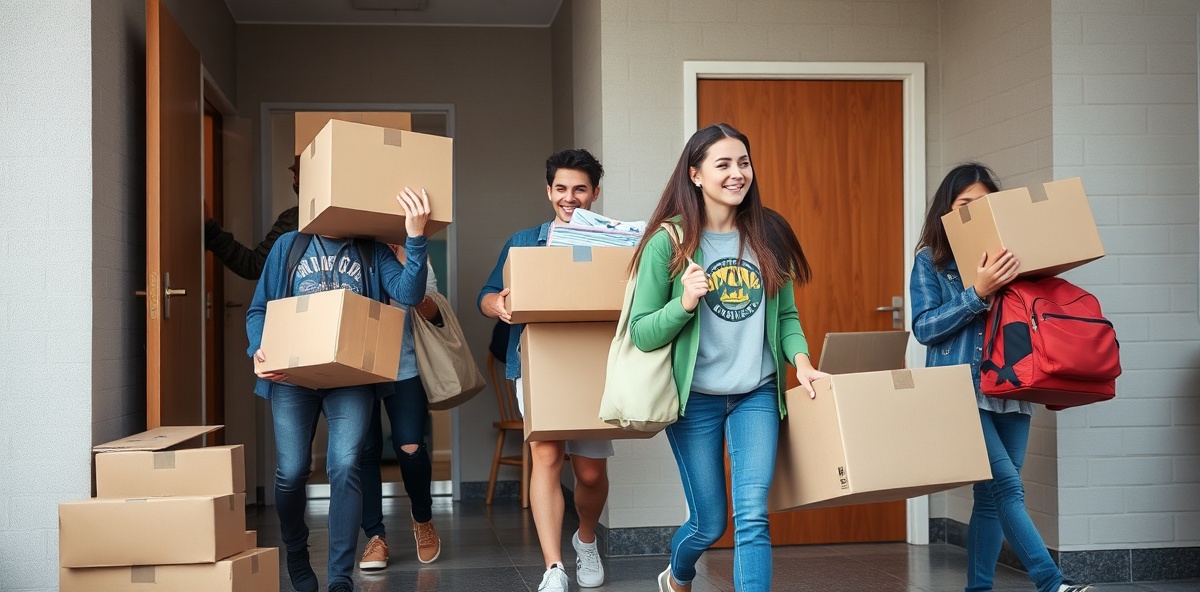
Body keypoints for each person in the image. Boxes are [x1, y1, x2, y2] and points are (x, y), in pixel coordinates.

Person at [627, 123, 824, 592]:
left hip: (756, 393)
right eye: (723, 164)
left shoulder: (769, 234)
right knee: (710, 524)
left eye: (744, 162)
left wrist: (802, 362)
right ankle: (678, 573)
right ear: (695, 174)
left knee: (753, 514)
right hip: (695, 400)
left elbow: (787, 317)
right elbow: (641, 333)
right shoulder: (668, 243)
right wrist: (685, 303)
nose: (737, 174)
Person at [910, 163, 1094, 592]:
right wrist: (978, 293)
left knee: (991, 501)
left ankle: (979, 589)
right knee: (1008, 487)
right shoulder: (932, 263)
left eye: (986, 203)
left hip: (1012, 389)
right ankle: (1053, 584)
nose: (976, 211)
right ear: (946, 212)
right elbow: (924, 328)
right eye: (965, 204)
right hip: (960, 391)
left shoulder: (1016, 259)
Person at [246, 187, 433, 592]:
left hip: (352, 379)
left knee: (345, 465)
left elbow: (409, 293)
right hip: (292, 379)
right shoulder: (288, 245)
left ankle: (339, 579)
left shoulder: (370, 250)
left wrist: (415, 237)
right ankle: (296, 549)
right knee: (292, 470)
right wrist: (259, 349)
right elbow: (259, 308)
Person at [477, 149, 611, 592]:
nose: (569, 197)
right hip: (537, 364)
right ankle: (554, 566)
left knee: (589, 472)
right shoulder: (524, 242)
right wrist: (496, 305)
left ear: (595, 193)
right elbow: (488, 294)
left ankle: (585, 539)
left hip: (595, 365)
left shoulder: (616, 243)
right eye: (561, 189)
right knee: (548, 457)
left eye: (579, 189)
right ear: (548, 191)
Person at [358, 246, 443, 571]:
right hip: (359, 367)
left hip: (405, 365)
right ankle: (375, 537)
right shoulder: (355, 248)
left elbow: (436, 313)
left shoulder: (414, 252)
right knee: (365, 451)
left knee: (410, 446)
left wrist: (414, 277)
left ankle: (423, 518)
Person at [205, 155, 301, 280]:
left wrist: (212, 232)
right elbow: (255, 265)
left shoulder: (292, 219)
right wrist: (212, 232)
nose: (294, 177)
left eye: (296, 173)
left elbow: (254, 266)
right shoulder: (292, 219)